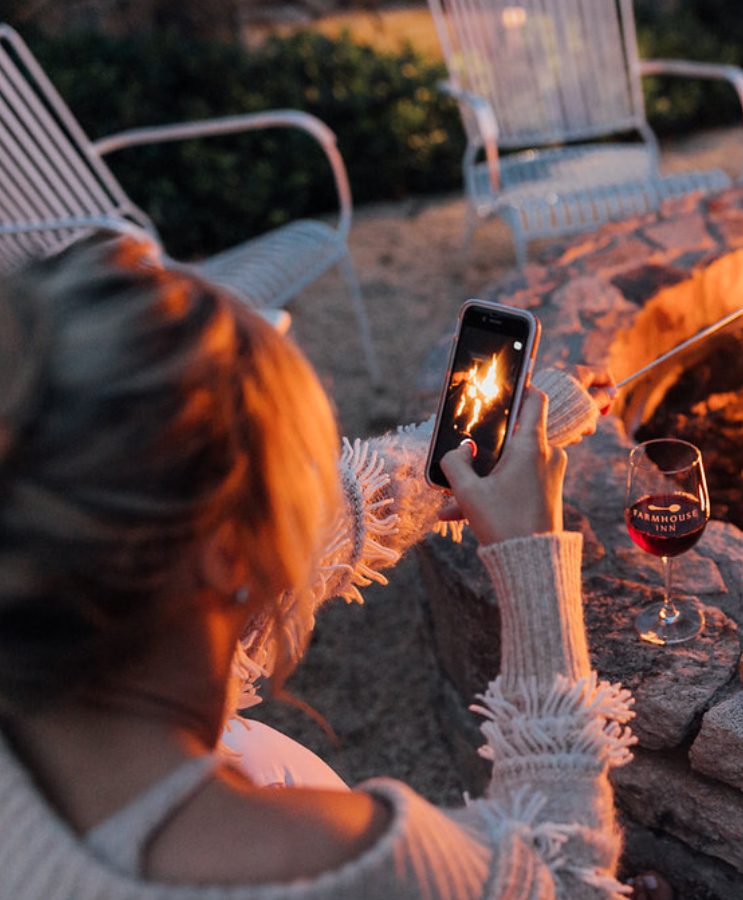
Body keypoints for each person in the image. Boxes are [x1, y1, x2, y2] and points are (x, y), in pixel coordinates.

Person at [0, 237, 634, 898]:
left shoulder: (65, 623)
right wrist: (532, 552)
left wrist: (489, 441)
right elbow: (565, 877)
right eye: (292, 480)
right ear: (225, 556)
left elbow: (333, 517)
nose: (310, 505)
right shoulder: (334, 860)